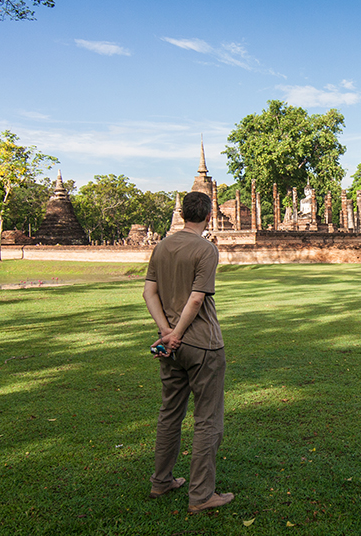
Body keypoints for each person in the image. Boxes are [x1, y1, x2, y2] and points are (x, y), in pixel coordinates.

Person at [142, 191, 233, 514]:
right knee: (207, 418)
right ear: (209, 215)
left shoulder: (162, 246)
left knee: (170, 413)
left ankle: (161, 480)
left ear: (181, 215)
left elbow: (148, 292)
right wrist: (178, 334)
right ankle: (201, 495)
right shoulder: (206, 249)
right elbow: (196, 299)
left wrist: (165, 332)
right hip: (202, 343)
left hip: (170, 347)